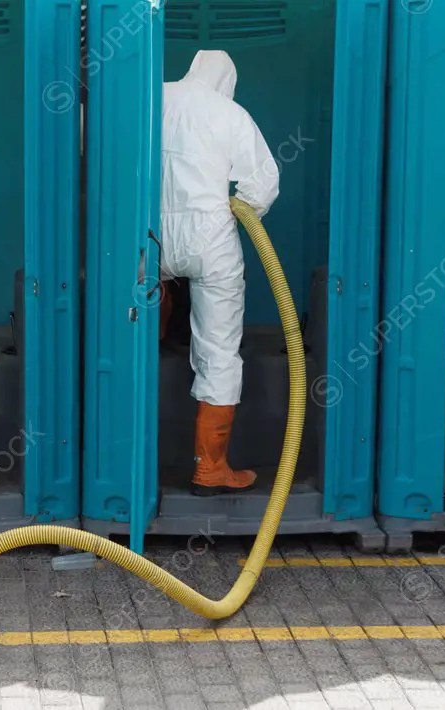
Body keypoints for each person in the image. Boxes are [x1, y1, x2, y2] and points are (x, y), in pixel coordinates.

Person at [159, 50, 280, 496]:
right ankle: (209, 470)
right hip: (210, 237)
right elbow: (263, 183)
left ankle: (119, 460)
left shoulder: (154, 98)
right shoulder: (229, 113)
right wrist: (239, 209)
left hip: (148, 236)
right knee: (220, 350)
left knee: (127, 322)